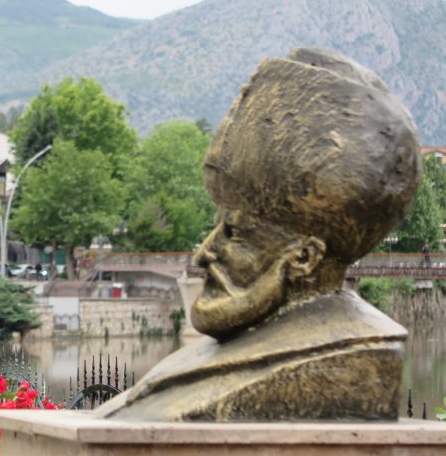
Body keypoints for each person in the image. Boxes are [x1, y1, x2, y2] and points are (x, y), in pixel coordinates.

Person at [96, 48, 421, 422]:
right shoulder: (224, 350)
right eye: (218, 226)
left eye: (234, 234)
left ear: (304, 258)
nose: (203, 254)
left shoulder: (345, 358)